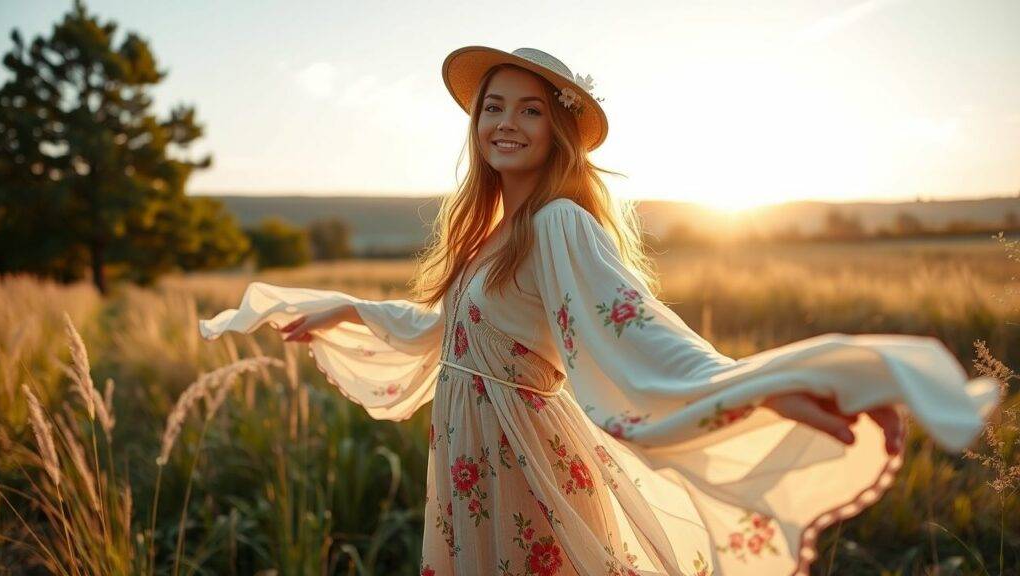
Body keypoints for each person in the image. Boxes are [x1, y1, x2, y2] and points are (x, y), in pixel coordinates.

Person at [199, 46, 1001, 576]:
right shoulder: (489, 234)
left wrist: (764, 390)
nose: (505, 123)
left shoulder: (559, 224)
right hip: (474, 463)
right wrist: (343, 306)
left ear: (560, 133)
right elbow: (446, 337)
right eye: (492, 108)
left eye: (529, 110)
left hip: (532, 461)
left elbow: (642, 338)